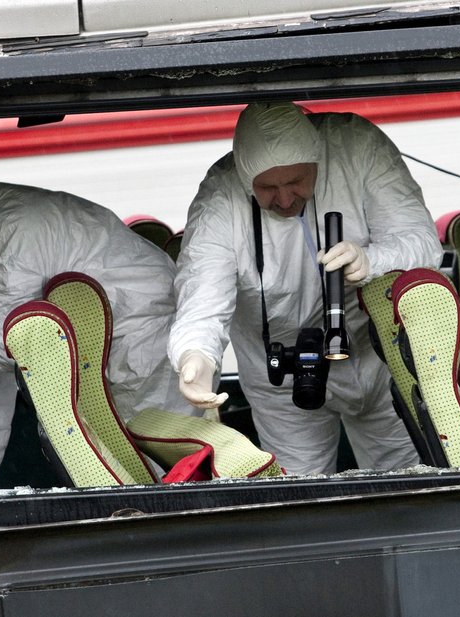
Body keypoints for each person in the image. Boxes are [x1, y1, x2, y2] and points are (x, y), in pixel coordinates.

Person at [169, 102, 444, 476]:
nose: (284, 199)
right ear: (245, 177)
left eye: (296, 181)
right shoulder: (221, 195)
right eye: (266, 188)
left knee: (408, 483)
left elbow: (423, 243)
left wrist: (371, 260)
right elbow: (202, 295)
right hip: (283, 382)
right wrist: (195, 356)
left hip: (376, 359)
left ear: (318, 160)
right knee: (302, 494)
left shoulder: (356, 147)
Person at [0, 165, 198, 490]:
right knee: (139, 473)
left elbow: (11, 346)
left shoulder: (19, 234)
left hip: (143, 340)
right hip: (103, 346)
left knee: (170, 467)